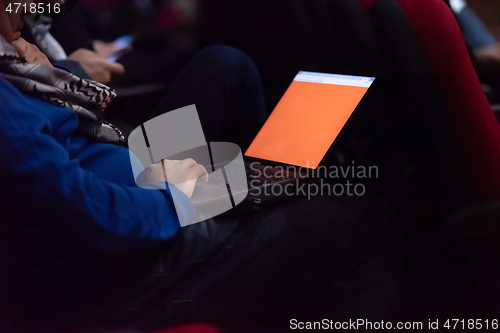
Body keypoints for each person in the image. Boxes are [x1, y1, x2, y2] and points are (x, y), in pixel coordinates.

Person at [0, 1, 399, 332]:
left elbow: (60, 125)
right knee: (363, 219)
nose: (30, 14)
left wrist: (59, 69)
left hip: (130, 171)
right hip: (109, 263)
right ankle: (269, 232)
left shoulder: (12, 56)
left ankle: (269, 215)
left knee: (226, 67)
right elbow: (93, 215)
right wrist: (187, 196)